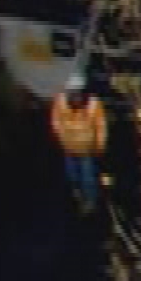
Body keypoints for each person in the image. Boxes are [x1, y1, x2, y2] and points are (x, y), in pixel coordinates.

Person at [49, 74, 109, 214]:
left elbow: (101, 126)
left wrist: (100, 146)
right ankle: (75, 193)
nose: (77, 97)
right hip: (68, 147)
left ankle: (90, 202)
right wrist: (61, 138)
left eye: (79, 93)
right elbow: (55, 122)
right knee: (71, 174)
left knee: (88, 177)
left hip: (87, 149)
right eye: (73, 93)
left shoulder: (93, 104)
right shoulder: (60, 101)